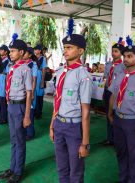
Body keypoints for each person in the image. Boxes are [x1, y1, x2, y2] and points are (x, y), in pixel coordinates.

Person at [49, 18, 91, 182]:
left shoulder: (83, 75)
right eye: (64, 47)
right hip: (59, 123)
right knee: (61, 167)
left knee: (76, 170)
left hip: (74, 127)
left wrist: (85, 142)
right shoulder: (60, 72)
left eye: (69, 48)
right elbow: (56, 101)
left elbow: (86, 111)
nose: (65, 51)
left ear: (80, 51)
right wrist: (52, 124)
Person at [108, 36, 135, 183]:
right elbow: (113, 96)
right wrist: (110, 113)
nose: (126, 59)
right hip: (118, 119)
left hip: (132, 122)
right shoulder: (119, 76)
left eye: (129, 56)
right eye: (124, 56)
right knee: (120, 152)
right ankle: (123, 178)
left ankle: (133, 180)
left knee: (133, 154)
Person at [0, 34, 32, 183]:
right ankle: (12, 167)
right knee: (13, 139)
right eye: (10, 51)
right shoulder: (12, 67)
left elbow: (29, 93)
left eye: (13, 51)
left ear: (22, 53)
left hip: (20, 107)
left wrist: (27, 116)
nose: (10, 53)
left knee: (20, 140)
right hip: (11, 105)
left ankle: (18, 171)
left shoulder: (26, 69)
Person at [102, 37, 125, 146]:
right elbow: (106, 79)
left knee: (116, 115)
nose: (113, 53)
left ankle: (117, 139)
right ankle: (109, 138)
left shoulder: (123, 66)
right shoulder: (108, 65)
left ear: (121, 53)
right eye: (112, 51)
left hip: (117, 93)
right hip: (107, 92)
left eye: (116, 51)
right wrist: (104, 91)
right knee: (108, 115)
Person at [23, 47, 38, 140]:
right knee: (24, 110)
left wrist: (32, 93)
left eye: (25, 53)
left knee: (30, 111)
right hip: (23, 90)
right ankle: (25, 130)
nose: (23, 54)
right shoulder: (22, 63)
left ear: (30, 55)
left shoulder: (33, 64)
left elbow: (34, 79)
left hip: (30, 90)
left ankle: (30, 133)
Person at [0, 45, 10, 124]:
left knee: (3, 102)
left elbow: (8, 73)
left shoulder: (7, 61)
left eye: (1, 50)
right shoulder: (0, 60)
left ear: (5, 51)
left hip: (3, 79)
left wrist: (6, 85)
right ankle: (1, 116)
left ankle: (4, 118)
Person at [34, 44, 47, 119]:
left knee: (39, 96)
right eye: (34, 49)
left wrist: (42, 81)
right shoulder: (34, 58)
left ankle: (39, 113)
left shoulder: (43, 58)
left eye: (36, 49)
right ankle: (35, 111)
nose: (35, 51)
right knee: (34, 95)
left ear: (39, 51)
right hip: (34, 77)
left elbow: (44, 70)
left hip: (39, 77)